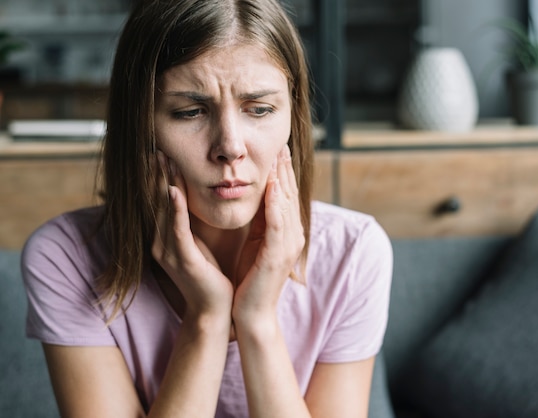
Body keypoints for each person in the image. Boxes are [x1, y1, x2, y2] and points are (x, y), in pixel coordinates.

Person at [21, 0, 393, 416]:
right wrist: (207, 318)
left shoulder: (354, 252)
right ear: (141, 127)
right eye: (190, 112)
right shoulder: (66, 257)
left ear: (293, 118)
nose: (230, 147)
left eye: (260, 109)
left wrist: (257, 322)